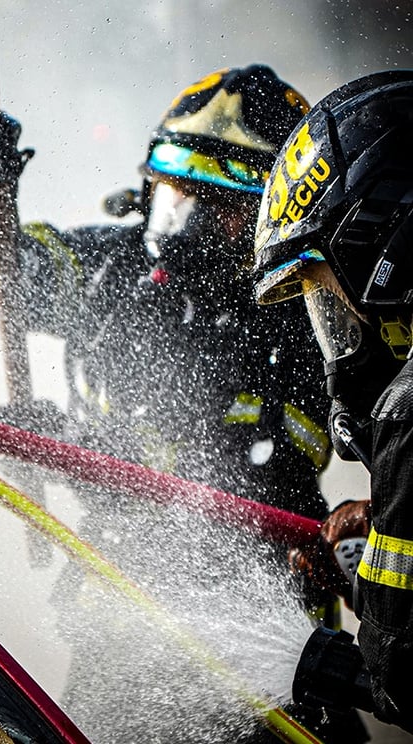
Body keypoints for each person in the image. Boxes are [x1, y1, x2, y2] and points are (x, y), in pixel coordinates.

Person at [0, 65, 360, 742]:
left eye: (217, 204)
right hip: (118, 627)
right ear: (148, 183)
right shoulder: (109, 268)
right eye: (175, 191)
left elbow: (222, 476)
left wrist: (71, 445)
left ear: (272, 214)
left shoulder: (311, 308)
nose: (184, 225)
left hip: (277, 644)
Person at [252, 69, 413, 734]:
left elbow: (406, 681)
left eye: (328, 294)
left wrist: (326, 662)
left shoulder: (408, 412)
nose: (339, 335)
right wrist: (384, 527)